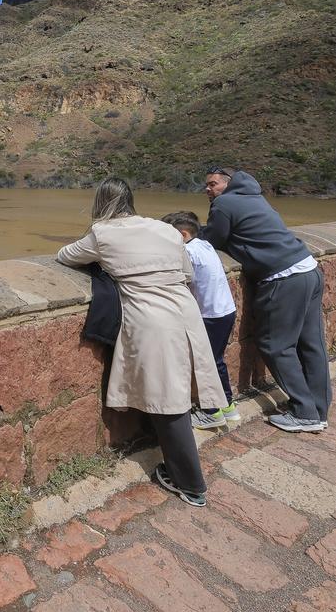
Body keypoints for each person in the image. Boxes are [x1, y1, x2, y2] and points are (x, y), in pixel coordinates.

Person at [57, 177, 227, 507]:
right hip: (185, 312)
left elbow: (65, 255)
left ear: (101, 203)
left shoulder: (102, 233)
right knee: (177, 390)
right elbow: (187, 272)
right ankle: (179, 465)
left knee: (170, 404)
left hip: (153, 320)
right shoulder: (165, 230)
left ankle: (191, 484)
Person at [201, 167, 330, 433]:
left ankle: (305, 413)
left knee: (275, 345)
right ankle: (319, 409)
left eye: (212, 184)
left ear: (227, 184)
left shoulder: (224, 204)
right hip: (308, 268)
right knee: (312, 344)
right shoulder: (255, 197)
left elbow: (213, 239)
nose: (208, 190)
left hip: (283, 278)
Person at [161, 211, 239, 429]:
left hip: (209, 316)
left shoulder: (188, 252)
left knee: (204, 365)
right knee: (216, 361)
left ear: (183, 235)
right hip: (225, 311)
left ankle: (212, 412)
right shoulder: (205, 245)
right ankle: (228, 407)